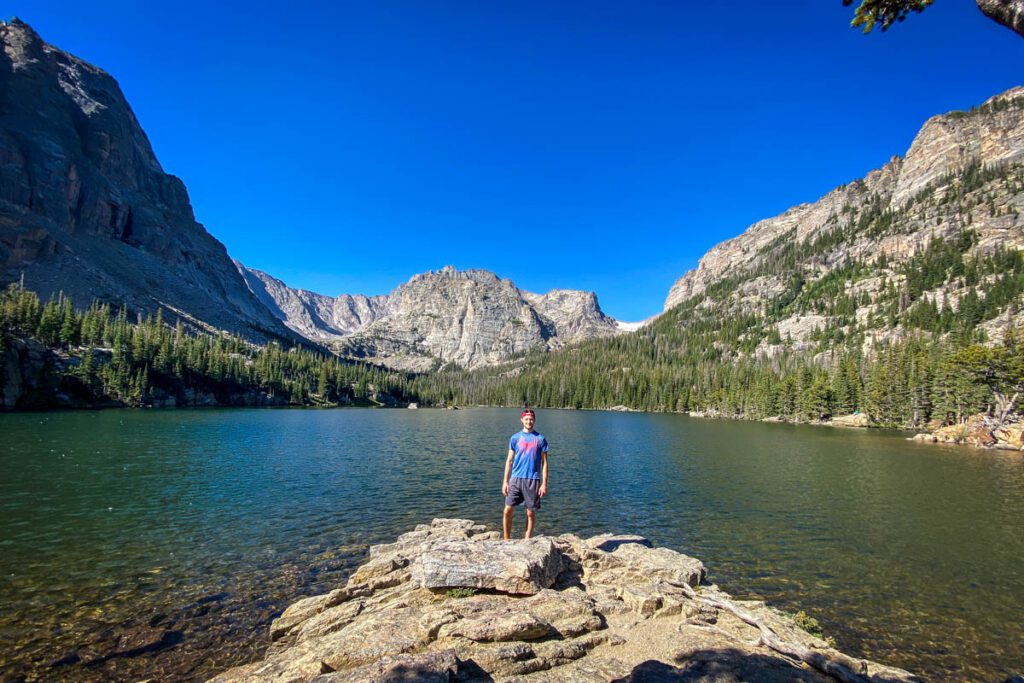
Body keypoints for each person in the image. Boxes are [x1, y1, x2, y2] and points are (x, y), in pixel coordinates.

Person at [501, 408, 549, 539]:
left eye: (531, 419)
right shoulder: (515, 438)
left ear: (534, 420)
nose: (529, 421)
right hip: (515, 479)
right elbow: (509, 460)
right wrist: (505, 481)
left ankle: (527, 539)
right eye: (527, 419)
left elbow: (545, 463)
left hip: (533, 479)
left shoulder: (540, 439)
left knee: (530, 513)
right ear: (522, 420)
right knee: (508, 510)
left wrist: (544, 484)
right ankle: (506, 538)